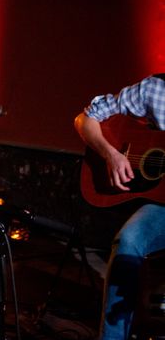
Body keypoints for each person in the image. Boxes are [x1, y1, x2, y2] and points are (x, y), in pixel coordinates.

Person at [74, 74, 165, 340]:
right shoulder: (155, 89)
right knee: (128, 241)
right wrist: (110, 154)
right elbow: (85, 119)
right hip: (161, 206)